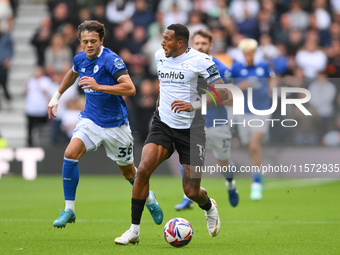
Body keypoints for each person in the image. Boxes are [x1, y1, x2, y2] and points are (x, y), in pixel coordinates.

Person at [115, 24, 230, 245]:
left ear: (179, 42)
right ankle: (134, 230)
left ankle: (209, 206)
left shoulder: (201, 60)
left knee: (191, 191)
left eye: (167, 39)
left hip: (192, 130)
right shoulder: (160, 56)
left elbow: (223, 92)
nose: (162, 42)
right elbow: (164, 85)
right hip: (163, 125)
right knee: (143, 171)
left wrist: (193, 104)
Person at [47, 20, 163, 228]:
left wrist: (99, 86)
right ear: (80, 42)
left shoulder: (112, 60)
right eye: (85, 41)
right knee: (70, 154)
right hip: (90, 120)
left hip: (115, 125)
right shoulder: (80, 58)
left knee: (129, 174)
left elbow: (130, 88)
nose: (89, 45)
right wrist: (57, 96)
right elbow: (72, 73)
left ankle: (149, 199)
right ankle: (69, 210)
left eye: (93, 41)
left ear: (101, 40)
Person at [174, 29, 239, 211]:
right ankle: (188, 195)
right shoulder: (185, 66)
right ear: (192, 45)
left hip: (217, 124)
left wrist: (208, 97)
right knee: (187, 160)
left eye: (204, 43)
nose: (200, 46)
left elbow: (232, 99)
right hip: (193, 124)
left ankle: (231, 184)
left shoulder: (222, 69)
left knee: (223, 162)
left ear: (210, 45)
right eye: (197, 43)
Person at [230, 38, 276, 201]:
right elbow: (229, 87)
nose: (248, 56)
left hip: (261, 110)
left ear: (255, 53)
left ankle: (256, 182)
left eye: (251, 53)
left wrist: (272, 89)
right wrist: (240, 87)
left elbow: (273, 79)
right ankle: (258, 172)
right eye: (245, 53)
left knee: (255, 144)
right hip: (243, 111)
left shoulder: (263, 66)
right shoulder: (236, 67)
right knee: (250, 145)